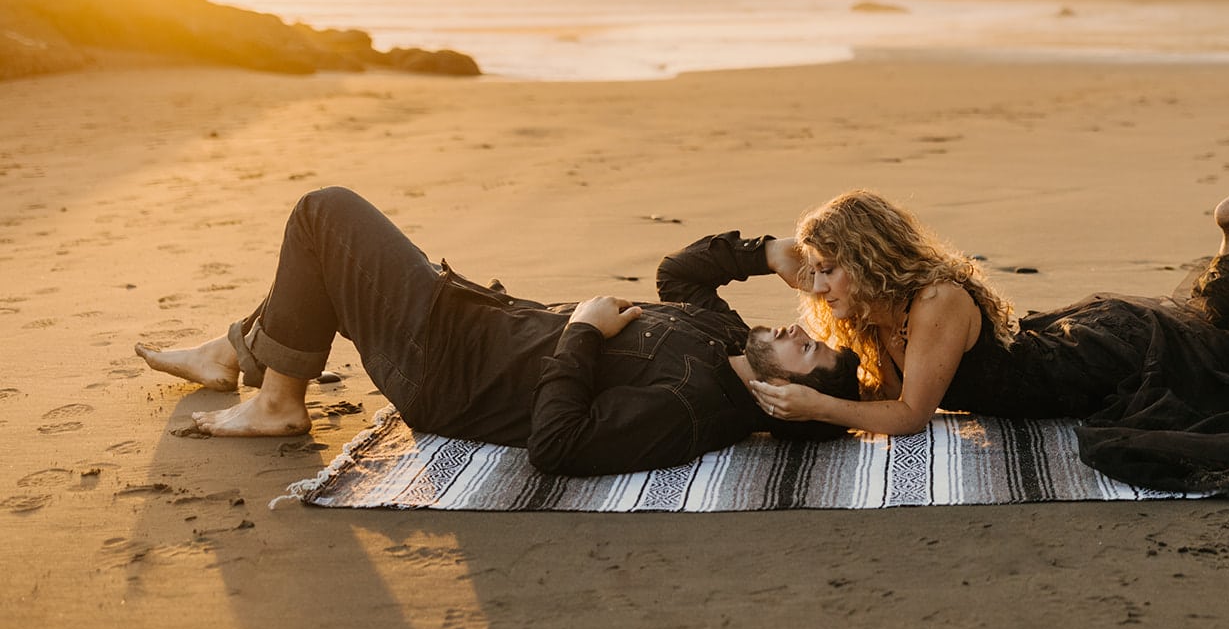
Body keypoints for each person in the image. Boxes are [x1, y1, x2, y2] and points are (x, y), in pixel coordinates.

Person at [748, 147, 1229, 493]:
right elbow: (882, 397)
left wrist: (822, 409)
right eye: (817, 271)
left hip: (1098, 362)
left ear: (867, 258)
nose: (819, 283)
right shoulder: (876, 316)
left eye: (830, 268)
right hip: (1075, 336)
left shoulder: (935, 301)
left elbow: (910, 415)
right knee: (1204, 330)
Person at [136, 186, 859, 476]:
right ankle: (231, 353)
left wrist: (581, 330)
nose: (798, 331)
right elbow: (679, 275)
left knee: (323, 216)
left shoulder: (690, 409)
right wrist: (766, 254)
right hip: (461, 314)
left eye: (806, 350)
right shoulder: (728, 339)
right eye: (810, 333)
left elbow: (557, 445)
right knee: (333, 252)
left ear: (782, 399)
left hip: (442, 367)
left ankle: (278, 401)